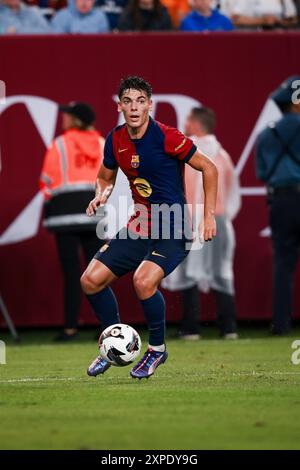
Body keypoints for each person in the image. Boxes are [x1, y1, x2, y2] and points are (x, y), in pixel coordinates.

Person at [80, 76, 218, 379]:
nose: (134, 107)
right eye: (127, 101)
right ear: (119, 106)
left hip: (174, 226)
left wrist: (208, 216)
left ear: (149, 105)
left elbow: (209, 168)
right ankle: (111, 345)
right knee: (90, 280)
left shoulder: (168, 137)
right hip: (140, 224)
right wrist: (101, 192)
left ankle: (156, 349)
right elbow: (105, 175)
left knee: (143, 282)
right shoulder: (115, 139)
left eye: (140, 101)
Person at [162, 107, 240, 339]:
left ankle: (191, 327)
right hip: (219, 219)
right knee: (221, 272)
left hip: (191, 218)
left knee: (187, 272)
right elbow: (232, 191)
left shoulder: (185, 153)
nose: (185, 123)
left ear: (196, 123)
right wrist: (221, 217)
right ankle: (229, 327)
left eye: (188, 119)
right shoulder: (222, 155)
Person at [40, 102, 105, 341]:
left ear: (75, 119)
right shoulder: (102, 144)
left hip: (65, 218)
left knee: (71, 274)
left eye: (67, 115)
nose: (63, 118)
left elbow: (46, 182)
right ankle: (107, 327)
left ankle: (69, 328)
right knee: (99, 273)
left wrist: (54, 202)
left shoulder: (59, 144)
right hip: (96, 216)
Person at [256, 75, 300, 335]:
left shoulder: (266, 134)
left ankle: (281, 323)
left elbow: (262, 172)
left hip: (281, 202)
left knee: (283, 264)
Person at [218, 0, 298, 29]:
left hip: (280, 35)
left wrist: (279, 22)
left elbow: (293, 18)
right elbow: (234, 19)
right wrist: (262, 21)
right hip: (252, 35)